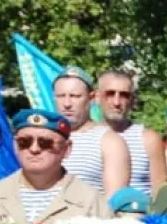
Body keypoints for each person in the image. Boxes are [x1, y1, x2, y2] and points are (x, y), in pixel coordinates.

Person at [54, 66, 130, 196]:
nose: (67, 103)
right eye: (61, 96)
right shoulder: (42, 139)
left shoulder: (109, 142)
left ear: (92, 98)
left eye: (75, 96)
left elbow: (114, 202)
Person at [96, 70, 167, 193]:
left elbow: (161, 193)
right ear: (97, 97)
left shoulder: (148, 140)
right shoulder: (84, 138)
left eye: (124, 95)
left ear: (132, 101)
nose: (117, 102)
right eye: (110, 94)